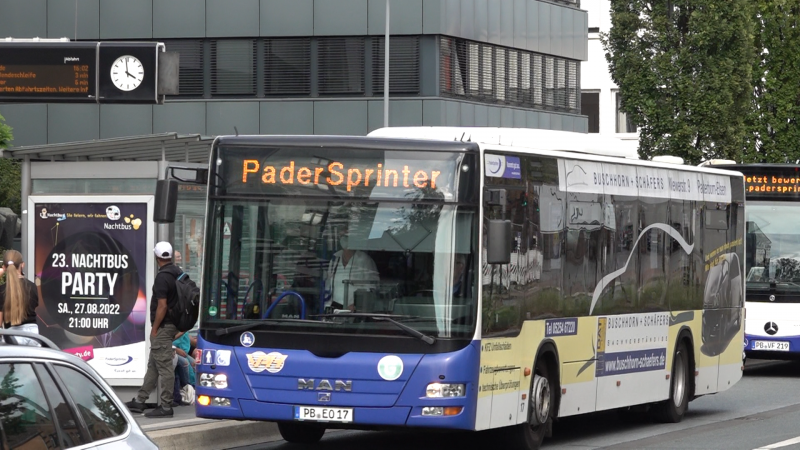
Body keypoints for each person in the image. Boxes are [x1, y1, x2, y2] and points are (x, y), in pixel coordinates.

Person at [125, 241, 182, 418]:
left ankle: (166, 406)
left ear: (157, 257)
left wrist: (155, 328)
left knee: (164, 367)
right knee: (154, 365)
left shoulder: (162, 277)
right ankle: (140, 401)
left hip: (163, 327)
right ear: (170, 256)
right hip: (172, 325)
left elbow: (162, 306)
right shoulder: (178, 273)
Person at [324, 224, 379, 312]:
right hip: (334, 309)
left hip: (354, 310)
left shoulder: (365, 260)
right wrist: (326, 306)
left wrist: (356, 305)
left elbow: (372, 287)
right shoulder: (335, 258)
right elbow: (328, 285)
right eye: (341, 236)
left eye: (346, 236)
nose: (343, 239)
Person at [0, 250, 40, 346]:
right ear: (22, 265)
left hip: (11, 338)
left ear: (4, 267)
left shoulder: (2, 290)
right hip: (33, 336)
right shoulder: (32, 287)